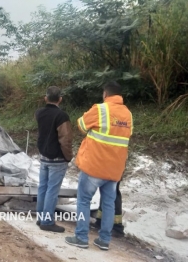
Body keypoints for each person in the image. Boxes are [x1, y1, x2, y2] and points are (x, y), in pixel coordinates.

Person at [65, 81, 133, 250]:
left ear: (105, 94)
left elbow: (81, 124)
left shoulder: (100, 109)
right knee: (108, 204)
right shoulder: (128, 114)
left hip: (94, 167)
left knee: (84, 201)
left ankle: (81, 237)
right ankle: (104, 240)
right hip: (114, 169)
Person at [35, 86, 73, 232]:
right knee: (52, 190)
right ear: (60, 99)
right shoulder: (62, 116)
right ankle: (47, 221)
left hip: (44, 156)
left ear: (46, 98)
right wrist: (68, 156)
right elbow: (66, 139)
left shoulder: (39, 113)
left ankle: (40, 218)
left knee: (42, 188)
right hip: (57, 158)